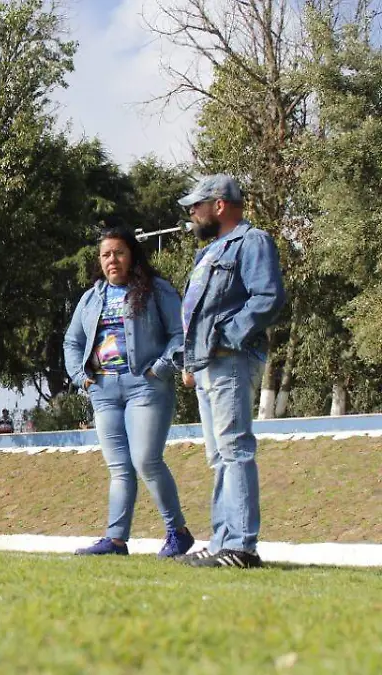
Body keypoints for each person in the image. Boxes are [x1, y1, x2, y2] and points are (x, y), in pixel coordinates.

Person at [64, 225, 194, 558]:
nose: (112, 260)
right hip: (103, 389)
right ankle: (116, 540)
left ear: (132, 255)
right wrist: (81, 376)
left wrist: (160, 368)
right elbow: (72, 340)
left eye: (119, 252)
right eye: (106, 254)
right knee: (119, 467)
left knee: (146, 459)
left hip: (145, 387)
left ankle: (177, 532)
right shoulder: (91, 297)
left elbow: (179, 335)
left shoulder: (156, 290)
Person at [176, 175, 286, 568]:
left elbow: (269, 297)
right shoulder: (210, 251)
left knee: (234, 450)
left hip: (231, 360)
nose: (191, 212)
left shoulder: (252, 241)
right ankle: (223, 540)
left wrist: (228, 336)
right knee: (219, 456)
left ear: (219, 205)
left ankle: (241, 546)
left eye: (196, 205)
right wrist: (191, 360)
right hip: (208, 363)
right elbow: (196, 311)